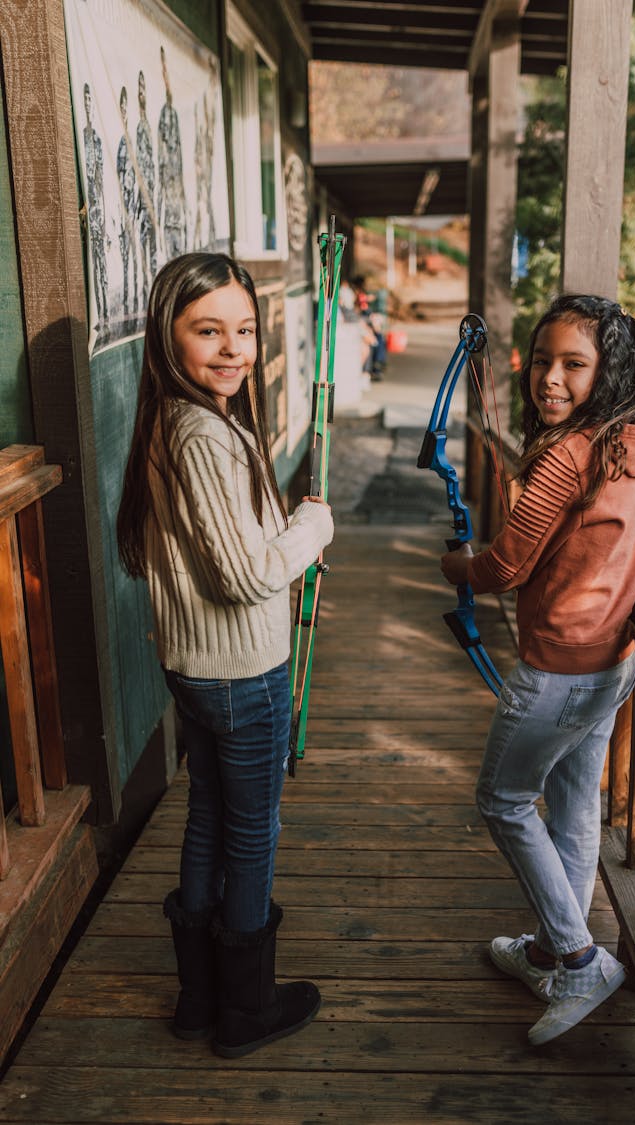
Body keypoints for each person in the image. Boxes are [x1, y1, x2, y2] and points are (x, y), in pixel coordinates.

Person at [440, 294, 635, 1046]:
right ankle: (550, 948)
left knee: (503, 799)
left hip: (559, 670)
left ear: (608, 372)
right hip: (611, 662)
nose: (550, 377)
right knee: (574, 809)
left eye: (573, 364)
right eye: (543, 360)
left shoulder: (571, 451)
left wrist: (457, 563)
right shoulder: (626, 442)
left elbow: (506, 564)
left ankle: (578, 957)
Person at [116, 252, 334, 1057]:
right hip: (244, 674)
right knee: (252, 832)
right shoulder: (204, 432)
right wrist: (312, 528)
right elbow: (247, 575)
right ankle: (244, 1009)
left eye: (243, 329)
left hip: (198, 669)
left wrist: (287, 530)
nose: (233, 348)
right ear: (168, 337)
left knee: (208, 815)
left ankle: (199, 999)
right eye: (209, 331)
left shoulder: (176, 420)